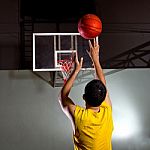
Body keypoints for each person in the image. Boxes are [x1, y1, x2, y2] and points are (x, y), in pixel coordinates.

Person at [58, 38, 114, 150]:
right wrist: (96, 60)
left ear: (84, 97)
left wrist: (76, 70)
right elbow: (62, 97)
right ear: (103, 97)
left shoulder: (79, 117)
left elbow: (62, 97)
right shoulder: (107, 112)